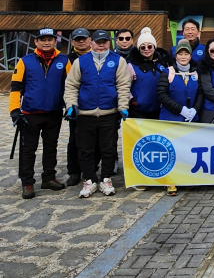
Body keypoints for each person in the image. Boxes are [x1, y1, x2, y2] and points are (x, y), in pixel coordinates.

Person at [64, 30, 130, 199]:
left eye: (105, 41)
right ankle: (89, 179)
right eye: (98, 41)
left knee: (108, 148)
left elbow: (123, 86)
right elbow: (71, 85)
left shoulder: (118, 61)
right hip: (86, 113)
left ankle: (106, 178)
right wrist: (72, 105)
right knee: (85, 149)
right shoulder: (81, 61)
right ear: (91, 42)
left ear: (110, 43)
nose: (101, 45)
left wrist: (123, 107)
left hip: (109, 113)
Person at [9, 28, 70, 199]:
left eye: (50, 39)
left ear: (55, 41)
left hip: (54, 112)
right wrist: (15, 110)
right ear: (35, 42)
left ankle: (49, 178)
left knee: (51, 147)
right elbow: (16, 88)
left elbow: (70, 86)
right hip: (30, 113)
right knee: (28, 149)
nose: (46, 42)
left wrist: (70, 106)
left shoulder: (64, 61)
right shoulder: (24, 61)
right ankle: (27, 182)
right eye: (42, 39)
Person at [158, 39, 203, 195]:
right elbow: (161, 95)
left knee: (187, 151)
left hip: (190, 119)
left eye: (186, 53)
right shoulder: (167, 72)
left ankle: (186, 178)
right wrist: (181, 109)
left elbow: (200, 94)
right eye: (180, 53)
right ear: (175, 55)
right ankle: (171, 181)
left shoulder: (196, 73)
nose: (183, 56)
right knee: (172, 151)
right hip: (171, 119)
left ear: (190, 55)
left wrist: (195, 110)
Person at [66, 27, 94, 187]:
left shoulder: (97, 56)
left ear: (90, 40)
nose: (81, 41)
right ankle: (74, 171)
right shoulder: (66, 59)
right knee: (74, 140)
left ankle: (90, 169)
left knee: (94, 140)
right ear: (73, 42)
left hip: (94, 105)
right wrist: (69, 104)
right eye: (78, 39)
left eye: (84, 38)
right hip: (76, 107)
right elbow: (68, 84)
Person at [127, 27, 172, 119]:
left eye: (149, 46)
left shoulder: (163, 63)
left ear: (154, 47)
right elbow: (124, 85)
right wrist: (132, 100)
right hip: (138, 111)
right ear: (139, 49)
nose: (146, 49)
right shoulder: (132, 65)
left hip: (158, 110)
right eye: (143, 47)